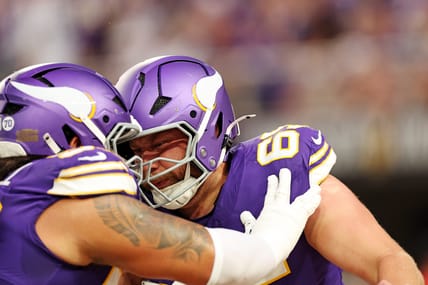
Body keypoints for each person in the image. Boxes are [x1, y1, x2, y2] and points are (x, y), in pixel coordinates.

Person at [0, 62, 323, 285]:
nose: (126, 161)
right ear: (73, 140)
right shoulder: (71, 207)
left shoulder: (13, 200)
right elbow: (239, 263)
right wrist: (271, 240)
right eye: (116, 143)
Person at [115, 55, 425, 285]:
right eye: (136, 150)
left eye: (161, 144)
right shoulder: (133, 217)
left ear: (211, 128)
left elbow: (390, 261)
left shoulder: (280, 177)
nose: (148, 163)